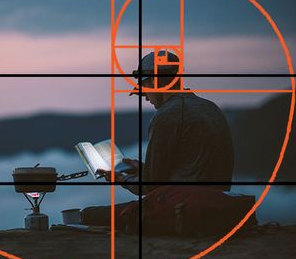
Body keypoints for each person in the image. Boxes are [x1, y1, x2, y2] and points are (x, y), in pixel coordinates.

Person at [81, 50, 237, 235]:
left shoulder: (166, 115)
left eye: (144, 88)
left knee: (89, 215)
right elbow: (192, 168)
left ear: (155, 81)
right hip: (219, 204)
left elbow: (150, 186)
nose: (145, 97)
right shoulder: (210, 107)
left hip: (184, 208)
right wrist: (142, 167)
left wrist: (120, 179)